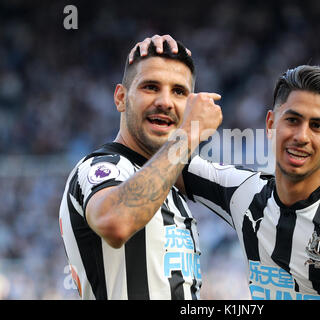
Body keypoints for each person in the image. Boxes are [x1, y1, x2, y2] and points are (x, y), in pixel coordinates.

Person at [129, 39, 320, 300]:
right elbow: (160, 159)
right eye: (293, 120)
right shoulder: (243, 193)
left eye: (317, 126)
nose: (301, 136)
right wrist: (158, 58)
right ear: (271, 123)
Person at [59, 35, 223, 300]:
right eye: (150, 87)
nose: (165, 102)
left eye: (179, 91)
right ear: (121, 98)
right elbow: (115, 222)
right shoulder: (102, 166)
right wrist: (188, 135)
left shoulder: (169, 180)